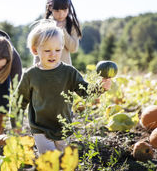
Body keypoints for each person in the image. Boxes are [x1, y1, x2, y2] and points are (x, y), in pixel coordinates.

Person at [14, 20, 111, 154]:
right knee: (50, 161)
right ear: (35, 50)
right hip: (40, 128)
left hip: (64, 127)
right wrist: (15, 123)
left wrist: (101, 88)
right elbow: (19, 101)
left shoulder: (69, 72)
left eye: (58, 50)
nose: (53, 54)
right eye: (47, 50)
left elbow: (84, 91)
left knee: (64, 162)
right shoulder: (31, 75)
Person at [35, 0, 82, 65]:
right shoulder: (44, 25)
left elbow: (73, 48)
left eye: (64, 10)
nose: (61, 14)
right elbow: (37, 51)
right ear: (50, 8)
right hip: (45, 70)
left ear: (69, 8)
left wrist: (62, 30)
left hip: (64, 71)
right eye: (57, 11)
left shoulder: (71, 25)